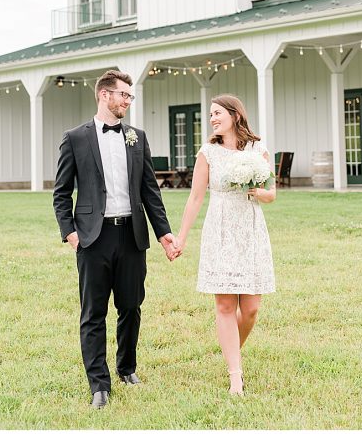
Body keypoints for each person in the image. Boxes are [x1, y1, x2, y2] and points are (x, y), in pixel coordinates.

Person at [52, 69, 179, 409]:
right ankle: (99, 384)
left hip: (131, 236)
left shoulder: (137, 137)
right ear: (104, 95)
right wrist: (71, 233)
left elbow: (150, 190)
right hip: (93, 238)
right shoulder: (75, 138)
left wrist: (164, 232)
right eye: (123, 94)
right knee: (93, 312)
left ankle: (127, 368)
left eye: (129, 96)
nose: (127, 101)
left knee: (131, 307)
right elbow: (61, 193)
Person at [173, 94, 276, 396]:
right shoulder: (208, 152)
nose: (213, 119)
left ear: (235, 115)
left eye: (218, 113)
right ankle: (235, 376)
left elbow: (272, 194)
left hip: (250, 228)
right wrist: (181, 237)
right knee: (225, 304)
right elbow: (195, 197)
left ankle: (232, 349)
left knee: (252, 308)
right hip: (219, 228)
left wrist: (256, 188)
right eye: (211, 115)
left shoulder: (258, 149)